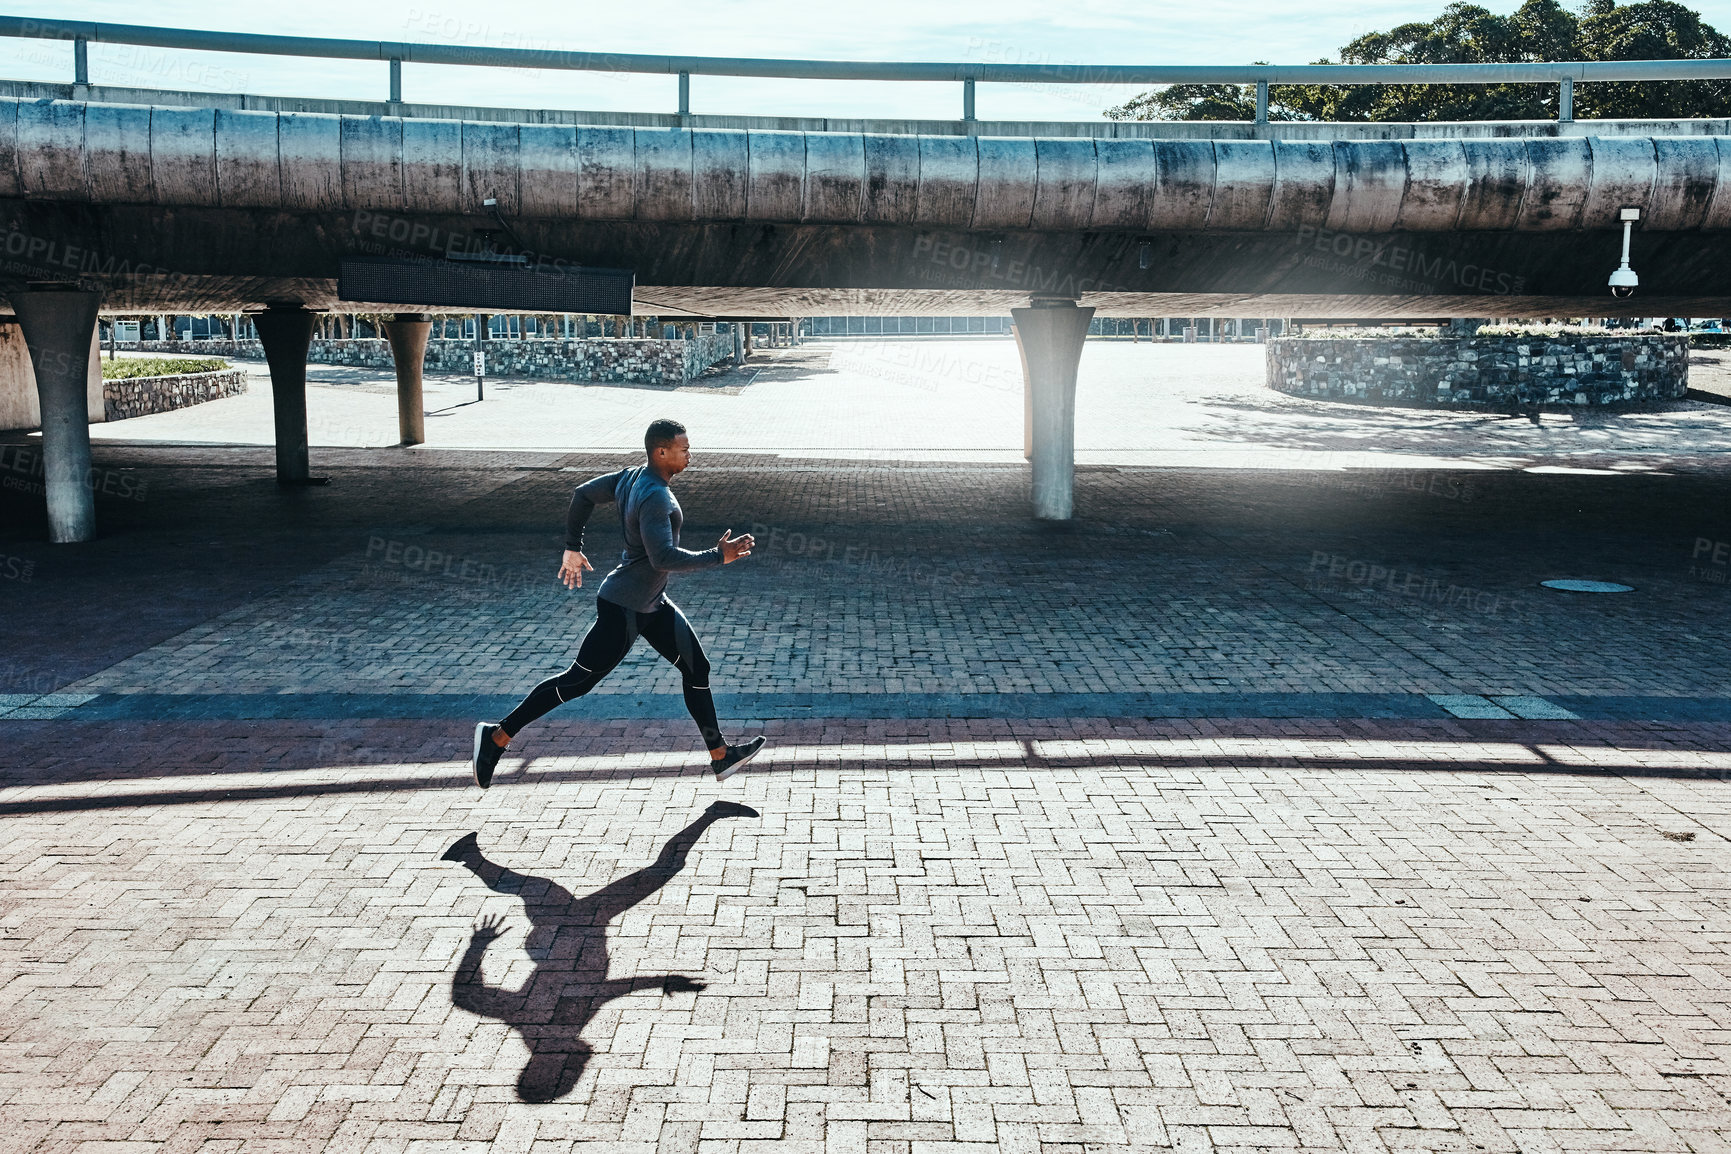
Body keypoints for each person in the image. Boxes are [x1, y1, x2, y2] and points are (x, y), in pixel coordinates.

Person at [471, 419, 763, 787]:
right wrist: (717, 556)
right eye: (684, 448)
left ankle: (720, 756)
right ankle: (496, 737)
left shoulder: (630, 477)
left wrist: (572, 546)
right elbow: (663, 558)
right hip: (623, 608)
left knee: (696, 668)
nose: (691, 454)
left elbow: (582, 494)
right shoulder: (656, 496)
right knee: (577, 682)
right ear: (661, 451)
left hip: (651, 605)